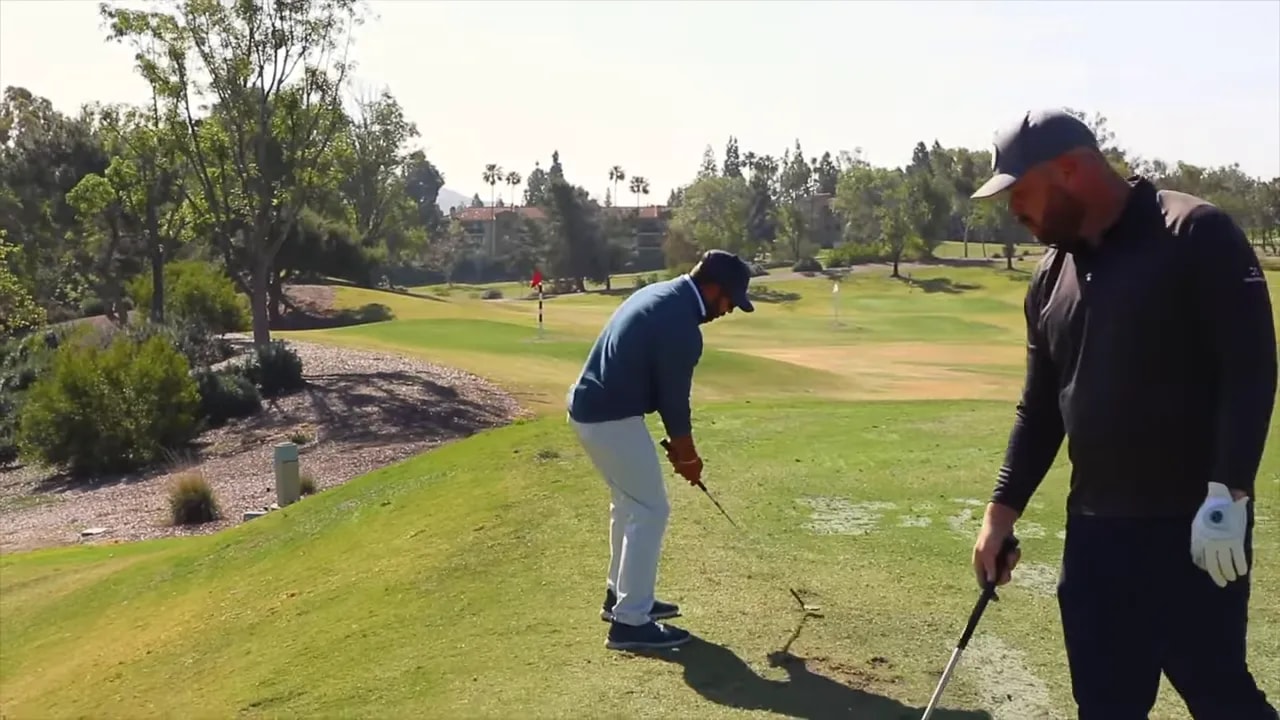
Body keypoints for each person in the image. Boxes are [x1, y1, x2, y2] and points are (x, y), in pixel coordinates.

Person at [967, 107, 1278, 719]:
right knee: (1105, 705)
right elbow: (1040, 409)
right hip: (1096, 538)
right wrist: (998, 515)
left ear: (1071, 170)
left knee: (1220, 696)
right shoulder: (1050, 276)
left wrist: (1229, 493)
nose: (1014, 212)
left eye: (1021, 193)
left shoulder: (1194, 233)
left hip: (1193, 527)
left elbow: (1251, 371)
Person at [566, 249, 757, 651]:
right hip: (608, 418)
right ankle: (630, 622)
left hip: (592, 412)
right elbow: (674, 402)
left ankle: (620, 597)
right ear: (712, 288)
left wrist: (680, 450)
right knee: (651, 509)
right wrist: (687, 456)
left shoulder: (662, 294)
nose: (729, 311)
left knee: (629, 504)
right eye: (729, 301)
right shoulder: (681, 324)